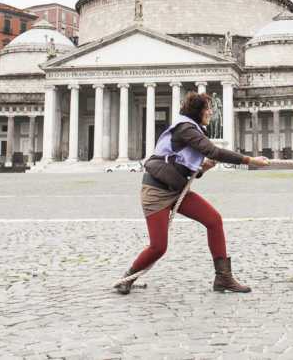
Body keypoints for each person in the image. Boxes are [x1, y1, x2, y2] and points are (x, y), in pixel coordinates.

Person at [115, 92, 270, 295]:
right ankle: (127, 278)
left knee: (214, 220)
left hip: (176, 190)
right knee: (159, 247)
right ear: (197, 111)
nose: (211, 112)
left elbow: (182, 167)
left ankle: (223, 278)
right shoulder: (185, 128)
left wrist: (203, 168)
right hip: (156, 191)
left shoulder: (191, 130)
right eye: (207, 108)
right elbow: (213, 151)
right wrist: (250, 160)